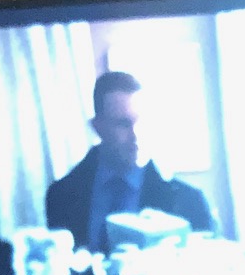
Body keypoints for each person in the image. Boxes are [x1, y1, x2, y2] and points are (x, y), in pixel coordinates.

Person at [45, 71, 215, 253]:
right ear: (97, 127)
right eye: (123, 124)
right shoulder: (61, 196)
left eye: (142, 122)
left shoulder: (188, 201)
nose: (136, 135)